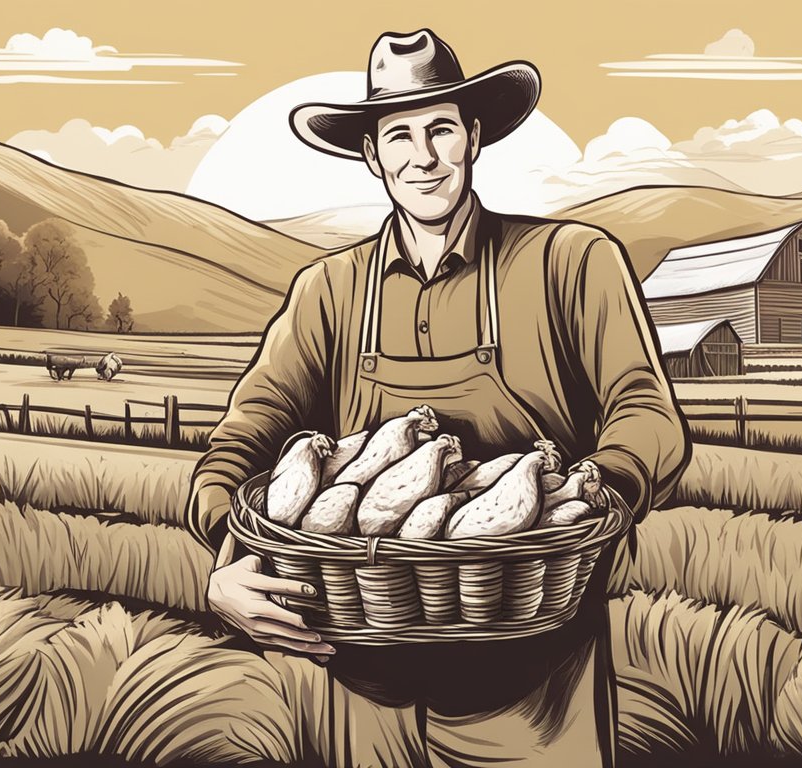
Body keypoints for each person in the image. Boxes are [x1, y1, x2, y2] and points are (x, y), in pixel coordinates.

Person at [185, 28, 691, 767]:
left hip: (535, 684)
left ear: (474, 136)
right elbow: (247, 435)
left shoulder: (572, 264)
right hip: (358, 682)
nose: (422, 157)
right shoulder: (327, 292)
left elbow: (647, 413)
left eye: (441, 130)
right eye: (399, 135)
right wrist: (226, 560)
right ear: (372, 153)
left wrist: (585, 495)